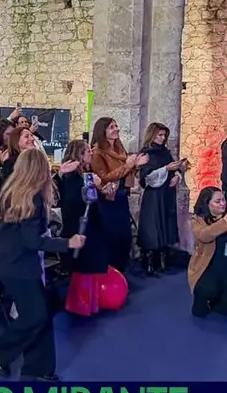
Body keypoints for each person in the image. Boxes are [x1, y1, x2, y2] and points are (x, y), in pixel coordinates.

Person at [0, 149, 85, 381]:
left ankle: (39, 368)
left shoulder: (19, 192)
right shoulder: (32, 197)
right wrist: (68, 242)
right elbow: (34, 241)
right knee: (36, 315)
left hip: (14, 263)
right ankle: (1, 349)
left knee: (42, 313)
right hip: (16, 266)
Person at [54, 140, 107, 317]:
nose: (91, 153)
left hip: (88, 226)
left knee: (89, 269)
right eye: (87, 151)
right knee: (83, 269)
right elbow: (73, 203)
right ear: (79, 155)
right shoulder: (73, 179)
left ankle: (90, 303)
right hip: (80, 227)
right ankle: (79, 305)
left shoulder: (84, 176)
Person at [90, 117, 148, 273]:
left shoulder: (119, 149)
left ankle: (120, 272)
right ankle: (109, 273)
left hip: (121, 196)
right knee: (112, 237)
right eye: (111, 127)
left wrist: (135, 165)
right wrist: (128, 165)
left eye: (116, 126)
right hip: (107, 200)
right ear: (103, 131)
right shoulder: (97, 153)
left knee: (125, 237)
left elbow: (125, 172)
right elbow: (104, 178)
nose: (116, 129)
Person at [138, 122, 183, 276]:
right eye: (160, 135)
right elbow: (147, 177)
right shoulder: (146, 153)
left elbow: (175, 168)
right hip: (154, 196)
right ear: (153, 134)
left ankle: (163, 262)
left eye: (164, 135)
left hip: (166, 194)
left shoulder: (165, 152)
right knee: (152, 226)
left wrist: (177, 175)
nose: (163, 138)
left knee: (165, 224)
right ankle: (150, 264)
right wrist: (166, 169)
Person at [189, 187, 227, 317]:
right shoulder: (198, 220)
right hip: (208, 268)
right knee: (199, 312)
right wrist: (224, 223)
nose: (223, 203)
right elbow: (204, 235)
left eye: (223, 199)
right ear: (207, 204)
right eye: (218, 201)